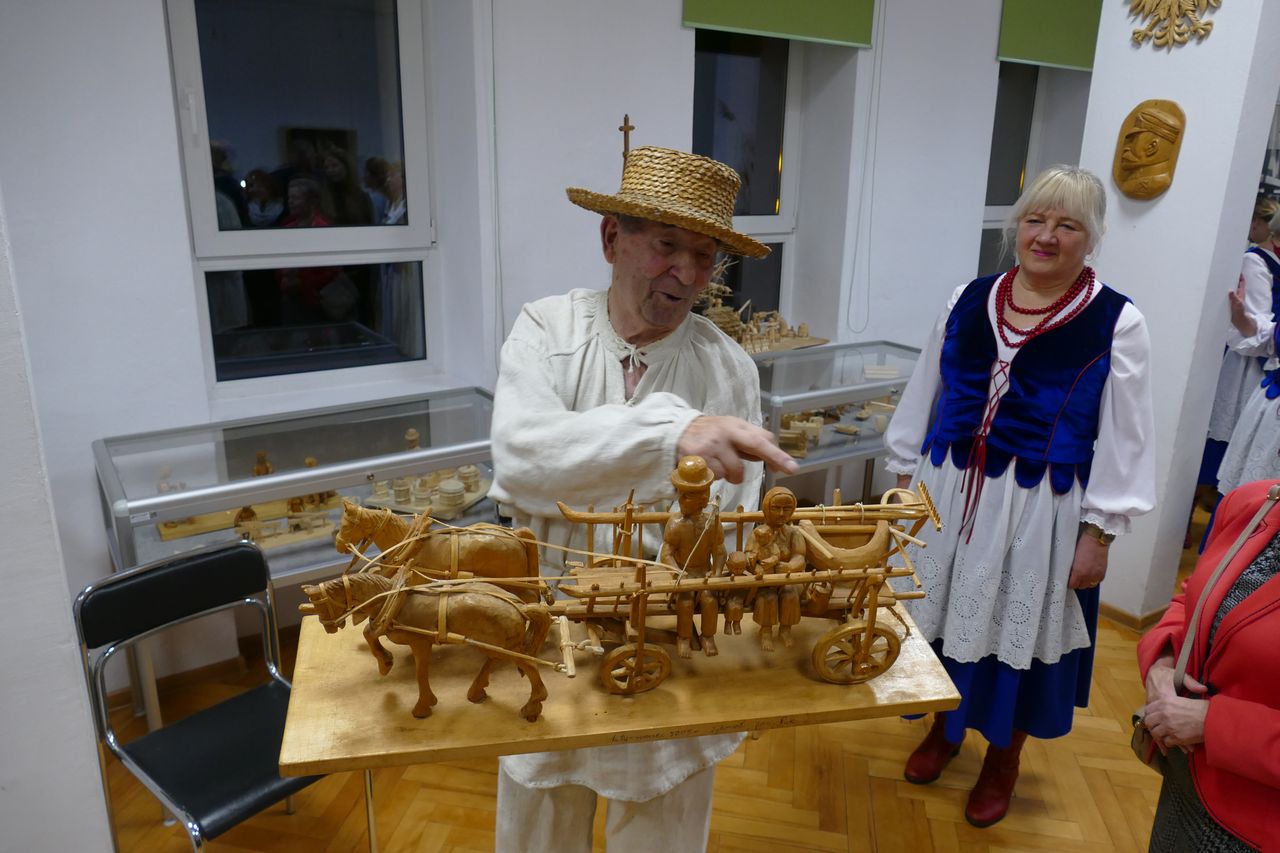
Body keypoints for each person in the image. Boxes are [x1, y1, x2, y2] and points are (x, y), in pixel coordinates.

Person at [488, 145, 796, 852]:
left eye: (704, 255)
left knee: (661, 821)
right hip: (549, 635)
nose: (687, 274)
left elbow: (731, 528)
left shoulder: (727, 368)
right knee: (538, 823)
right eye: (665, 246)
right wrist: (672, 434)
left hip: (666, 645)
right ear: (611, 239)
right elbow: (522, 458)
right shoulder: (548, 330)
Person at [882, 165, 1156, 827]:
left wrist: (1100, 533)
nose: (1046, 236)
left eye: (1067, 225)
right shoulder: (968, 297)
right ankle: (944, 729)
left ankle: (1003, 759)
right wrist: (903, 477)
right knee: (940, 615)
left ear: (1091, 237)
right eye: (1035, 220)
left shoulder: (1118, 322)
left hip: (1039, 505)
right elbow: (925, 390)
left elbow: (1127, 438)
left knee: (1015, 629)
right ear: (1017, 226)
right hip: (947, 489)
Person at [1138, 478, 1280, 851]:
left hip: (1256, 826)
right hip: (1186, 780)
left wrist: (1212, 724)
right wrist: (1161, 664)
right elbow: (1191, 599)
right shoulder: (1255, 501)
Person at [1198, 197, 1280, 507]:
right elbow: (1261, 329)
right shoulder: (1256, 261)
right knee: (1230, 454)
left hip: (1266, 363)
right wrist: (1245, 322)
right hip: (1254, 368)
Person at [659, 455, 726, 658]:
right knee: (686, 603)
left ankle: (708, 636)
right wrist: (677, 572)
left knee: (709, 600)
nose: (680, 500)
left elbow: (719, 550)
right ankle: (684, 637)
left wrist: (716, 572)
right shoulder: (675, 524)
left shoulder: (712, 522)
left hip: (704, 573)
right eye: (681, 494)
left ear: (704, 498)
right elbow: (667, 553)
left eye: (687, 496)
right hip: (684, 575)